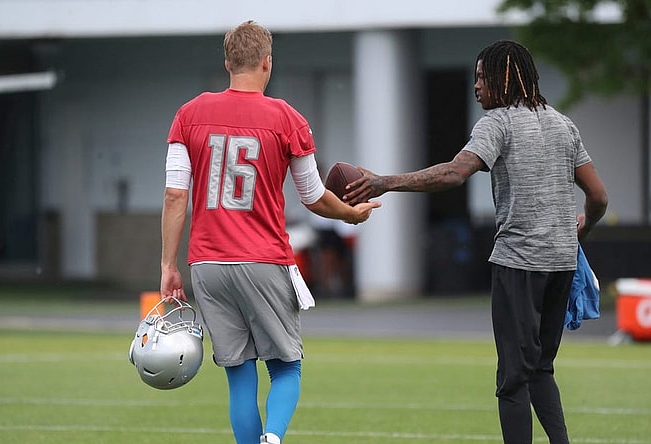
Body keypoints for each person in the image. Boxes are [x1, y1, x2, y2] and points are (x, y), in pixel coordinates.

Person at [344, 40, 608, 444]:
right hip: (561, 261)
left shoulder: (497, 124)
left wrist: (386, 181)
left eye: (482, 77)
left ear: (504, 78)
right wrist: (580, 231)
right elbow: (599, 197)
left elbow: (455, 173)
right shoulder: (562, 123)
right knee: (541, 368)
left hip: (520, 262)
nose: (476, 86)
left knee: (513, 379)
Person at [160, 20, 380, 444]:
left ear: (227, 62)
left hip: (207, 261)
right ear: (267, 63)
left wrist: (168, 265)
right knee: (285, 368)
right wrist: (351, 215)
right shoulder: (286, 118)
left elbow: (174, 195)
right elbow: (313, 196)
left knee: (239, 376)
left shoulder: (188, 114)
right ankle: (273, 437)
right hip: (263, 258)